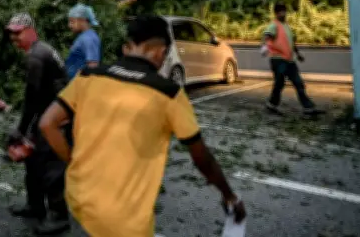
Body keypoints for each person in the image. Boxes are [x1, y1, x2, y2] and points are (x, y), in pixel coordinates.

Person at [39, 15, 246, 237]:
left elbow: (47, 124)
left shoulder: (88, 76)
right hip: (124, 219)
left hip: (79, 199)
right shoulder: (167, 93)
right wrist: (229, 196)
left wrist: (72, 162)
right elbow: (201, 157)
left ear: (126, 48)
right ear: (161, 52)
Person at [6, 13, 71, 235]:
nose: (15, 38)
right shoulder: (42, 49)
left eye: (18, 32)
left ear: (31, 30)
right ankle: (35, 205)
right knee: (32, 161)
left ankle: (59, 216)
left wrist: (20, 129)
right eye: (11, 33)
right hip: (48, 113)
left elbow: (31, 97)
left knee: (51, 167)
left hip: (58, 118)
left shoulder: (36, 57)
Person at [264, 2, 324, 116]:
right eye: (281, 12)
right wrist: (267, 48)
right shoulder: (274, 25)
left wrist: (298, 54)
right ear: (276, 13)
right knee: (279, 83)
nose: (284, 14)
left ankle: (308, 107)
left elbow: (291, 42)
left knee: (298, 82)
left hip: (289, 60)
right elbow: (267, 37)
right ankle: (272, 104)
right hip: (278, 59)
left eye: (284, 11)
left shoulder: (286, 26)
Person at [65, 4, 102, 80]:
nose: (69, 25)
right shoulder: (83, 37)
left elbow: (93, 66)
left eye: (72, 21)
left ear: (82, 20)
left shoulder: (89, 38)